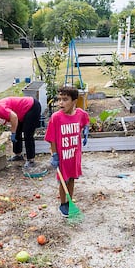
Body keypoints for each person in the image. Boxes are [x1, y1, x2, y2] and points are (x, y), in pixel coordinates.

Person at [45, 86, 90, 217]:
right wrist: (54, 155)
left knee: (71, 179)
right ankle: (63, 203)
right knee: (63, 180)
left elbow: (85, 118)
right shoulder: (56, 117)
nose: (61, 103)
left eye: (65, 100)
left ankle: (70, 201)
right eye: (59, 99)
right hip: (62, 156)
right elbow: (51, 138)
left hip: (74, 155)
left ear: (74, 101)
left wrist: (86, 129)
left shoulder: (80, 113)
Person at [0, 95, 42, 168]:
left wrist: (13, 132)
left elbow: (14, 117)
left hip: (31, 107)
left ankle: (31, 160)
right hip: (20, 113)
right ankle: (18, 155)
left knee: (27, 134)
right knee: (17, 131)